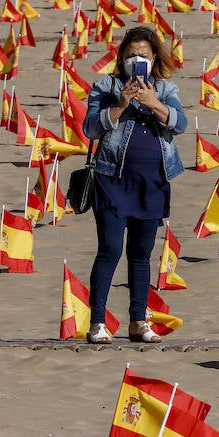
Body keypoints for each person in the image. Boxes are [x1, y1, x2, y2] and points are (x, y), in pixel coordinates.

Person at [82, 25, 187, 345]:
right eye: (130, 56)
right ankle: (98, 321)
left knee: (141, 254)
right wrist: (121, 104)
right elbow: (89, 128)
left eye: (142, 55)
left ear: (154, 57)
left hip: (152, 181)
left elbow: (180, 124)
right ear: (121, 59)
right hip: (112, 178)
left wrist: (152, 101)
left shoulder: (165, 89)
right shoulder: (106, 86)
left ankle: (138, 321)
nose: (137, 61)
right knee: (110, 249)